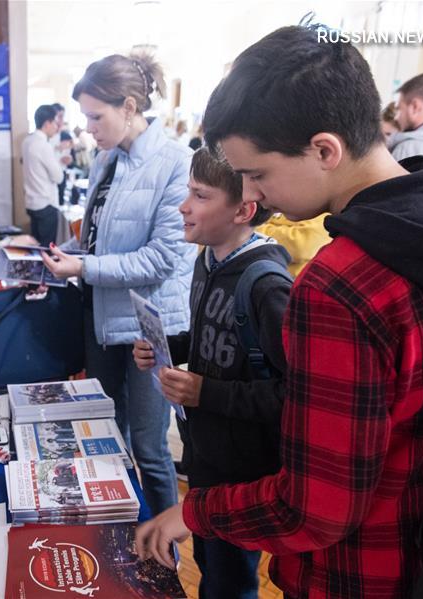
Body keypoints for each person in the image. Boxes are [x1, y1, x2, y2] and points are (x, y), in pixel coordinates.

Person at [136, 25, 423, 599]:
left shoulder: (339, 286)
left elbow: (315, 508)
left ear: (325, 150)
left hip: (353, 571)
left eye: (257, 173)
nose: (254, 192)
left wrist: (197, 511)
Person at [41, 52, 195, 516]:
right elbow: (101, 240)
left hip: (149, 328)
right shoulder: (106, 161)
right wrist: (76, 258)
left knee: (150, 447)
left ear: (129, 107)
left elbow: (161, 258)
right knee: (106, 435)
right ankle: (119, 534)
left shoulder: (175, 163)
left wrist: (84, 268)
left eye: (95, 115)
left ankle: (165, 551)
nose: (88, 127)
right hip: (101, 319)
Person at [134, 148, 291, 598]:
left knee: (230, 580)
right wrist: (171, 347)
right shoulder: (207, 260)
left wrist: (208, 393)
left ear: (243, 209)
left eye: (200, 196)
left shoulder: (267, 285)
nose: (184, 206)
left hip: (244, 469)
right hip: (206, 455)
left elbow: (292, 395)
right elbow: (213, 334)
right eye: (188, 191)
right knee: (211, 567)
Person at [22, 104, 70, 245]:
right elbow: (59, 177)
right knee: (47, 251)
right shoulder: (44, 145)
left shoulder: (27, 141)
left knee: (36, 248)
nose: (57, 126)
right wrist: (60, 162)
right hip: (45, 204)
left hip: (32, 202)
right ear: (47, 123)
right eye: (55, 122)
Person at [256, 212, 331, 277]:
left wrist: (255, 229)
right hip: (263, 272)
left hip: (293, 283)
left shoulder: (321, 211)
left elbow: (300, 246)